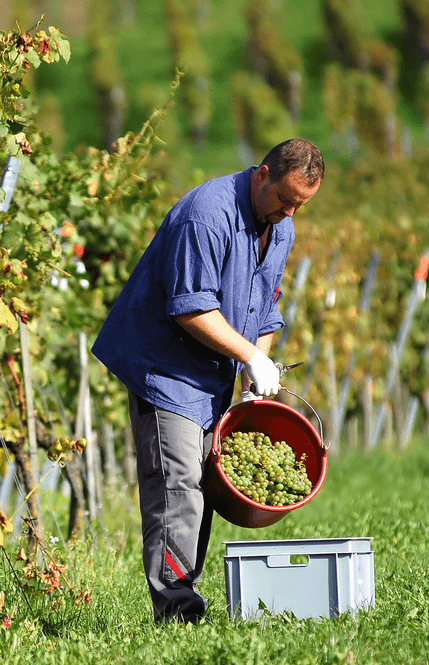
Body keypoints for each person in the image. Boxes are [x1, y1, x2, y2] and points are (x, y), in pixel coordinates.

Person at [92, 138, 325, 624]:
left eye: (300, 206)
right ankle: (177, 614)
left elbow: (264, 309)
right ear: (261, 175)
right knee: (178, 484)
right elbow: (191, 309)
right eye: (284, 200)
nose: (289, 213)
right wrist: (244, 356)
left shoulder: (280, 229)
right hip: (166, 368)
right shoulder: (206, 215)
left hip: (212, 372)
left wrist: (254, 369)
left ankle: (182, 604)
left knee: (202, 483)